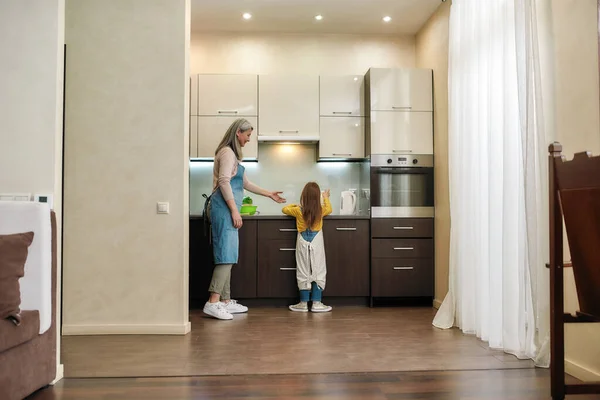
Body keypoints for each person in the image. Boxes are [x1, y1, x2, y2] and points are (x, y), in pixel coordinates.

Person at [204, 118, 285, 320]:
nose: (249, 140)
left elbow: (245, 183)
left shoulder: (233, 156)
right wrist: (234, 210)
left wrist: (269, 194)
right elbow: (223, 182)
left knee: (229, 253)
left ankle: (225, 301)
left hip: (226, 208)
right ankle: (212, 302)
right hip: (223, 208)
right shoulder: (227, 153)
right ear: (238, 132)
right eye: (248, 135)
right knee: (225, 253)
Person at [282, 182, 333, 313]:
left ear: (303, 196)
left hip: (302, 242)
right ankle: (317, 302)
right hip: (317, 242)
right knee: (318, 269)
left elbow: (285, 209)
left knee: (303, 270)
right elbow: (330, 208)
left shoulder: (298, 210)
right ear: (318, 197)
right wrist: (326, 197)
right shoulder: (321, 210)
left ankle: (303, 303)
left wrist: (296, 205)